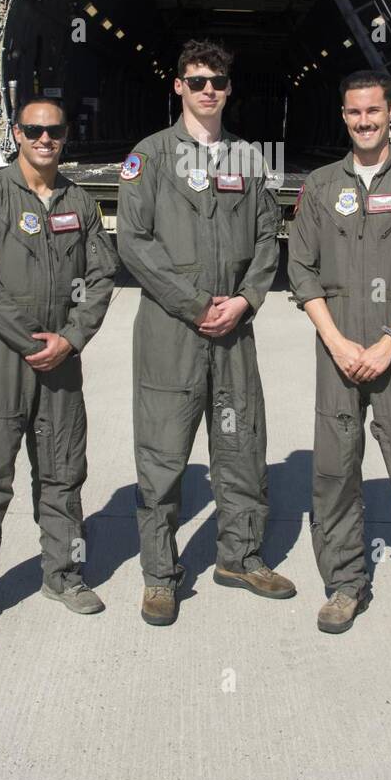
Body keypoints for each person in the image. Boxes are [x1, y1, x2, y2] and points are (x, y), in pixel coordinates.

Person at [116, 40, 296, 625]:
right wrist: (195, 304)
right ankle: (161, 576)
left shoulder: (248, 158)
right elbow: (134, 243)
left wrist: (245, 300)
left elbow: (269, 238)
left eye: (217, 80)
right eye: (196, 81)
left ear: (228, 86)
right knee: (163, 456)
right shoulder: (150, 156)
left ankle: (239, 557)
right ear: (178, 87)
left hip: (234, 331)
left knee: (242, 447)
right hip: (172, 332)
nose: (208, 90)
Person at [287, 71, 391, 648]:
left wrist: (389, 342)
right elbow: (301, 269)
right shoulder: (319, 185)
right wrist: (336, 341)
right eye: (354, 112)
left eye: (373, 112)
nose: (364, 121)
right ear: (344, 116)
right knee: (334, 473)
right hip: (337, 349)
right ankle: (344, 584)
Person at [0, 97, 118, 637]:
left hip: (62, 361)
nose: (44, 139)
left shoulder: (81, 202)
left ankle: (63, 574)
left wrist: (69, 339)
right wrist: (29, 341)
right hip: (4, 358)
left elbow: (102, 277)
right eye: (34, 130)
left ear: (66, 135)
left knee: (64, 469)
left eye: (54, 130)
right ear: (17, 133)